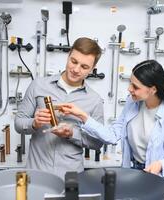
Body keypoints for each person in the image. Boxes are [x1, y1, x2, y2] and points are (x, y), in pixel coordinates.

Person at [58, 59, 164, 177]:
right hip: (133, 170)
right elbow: (112, 135)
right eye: (130, 83)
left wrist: (161, 164)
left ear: (153, 89)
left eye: (135, 86)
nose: (129, 89)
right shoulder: (132, 103)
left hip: (161, 177)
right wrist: (82, 115)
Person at [14, 37, 104, 179]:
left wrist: (71, 134)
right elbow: (18, 123)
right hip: (37, 173)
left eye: (84, 67)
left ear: (92, 69)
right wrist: (34, 123)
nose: (76, 69)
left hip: (71, 177)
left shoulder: (95, 100)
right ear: (68, 56)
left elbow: (97, 142)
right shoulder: (38, 86)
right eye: (73, 61)